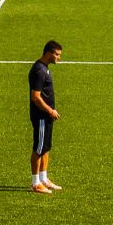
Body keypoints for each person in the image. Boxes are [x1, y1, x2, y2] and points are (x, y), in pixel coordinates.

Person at [28, 40, 63, 193]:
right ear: (48, 53)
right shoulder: (39, 71)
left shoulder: (44, 68)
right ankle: (35, 183)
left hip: (47, 116)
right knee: (39, 148)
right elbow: (35, 97)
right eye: (57, 54)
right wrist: (50, 111)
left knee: (46, 147)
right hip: (41, 116)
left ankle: (43, 179)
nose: (59, 58)